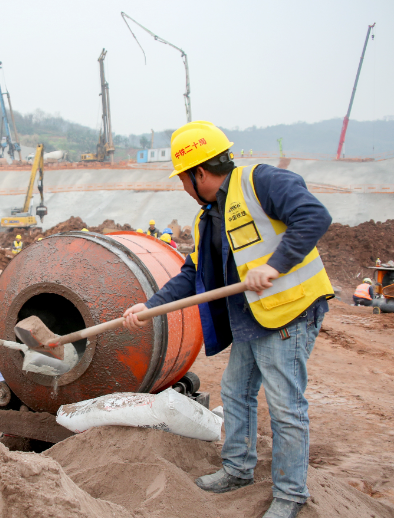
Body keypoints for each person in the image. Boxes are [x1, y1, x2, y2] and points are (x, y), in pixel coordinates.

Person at [122, 121, 333, 518]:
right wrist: (149, 306)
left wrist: (274, 266)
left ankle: (290, 494)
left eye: (183, 179)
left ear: (199, 172)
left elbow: (314, 216)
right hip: (253, 319)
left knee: (286, 407)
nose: (183, 187)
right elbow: (194, 274)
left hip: (289, 314)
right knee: (236, 392)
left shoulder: (260, 182)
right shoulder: (210, 217)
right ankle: (238, 468)